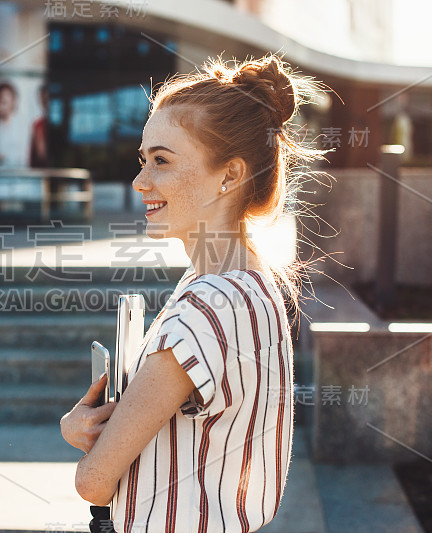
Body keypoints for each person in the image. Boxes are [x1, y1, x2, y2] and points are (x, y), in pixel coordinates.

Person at [60, 53, 331, 533]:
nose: (140, 182)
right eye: (143, 160)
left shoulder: (205, 307)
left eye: (162, 161)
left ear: (229, 176)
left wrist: (77, 432)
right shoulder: (255, 286)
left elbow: (95, 482)